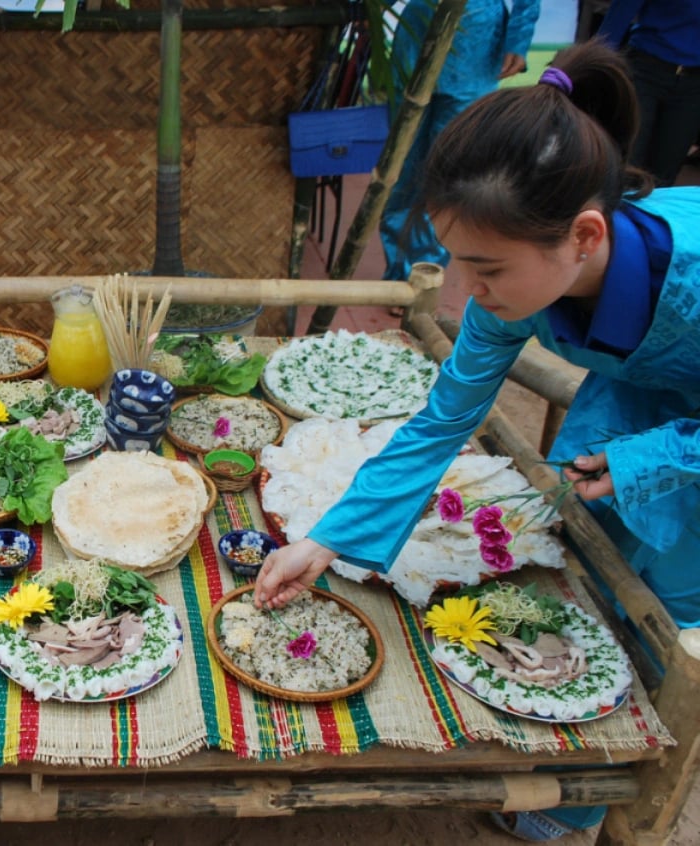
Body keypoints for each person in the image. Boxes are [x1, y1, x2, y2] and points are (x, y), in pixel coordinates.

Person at [256, 39, 700, 841]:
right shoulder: (524, 283)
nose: (466, 293)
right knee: (592, 566)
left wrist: (656, 458)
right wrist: (326, 541)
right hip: (636, 395)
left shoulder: (693, 273)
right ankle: (563, 758)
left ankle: (591, 803)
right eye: (456, 263)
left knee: (672, 611)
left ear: (587, 237)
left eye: (484, 269)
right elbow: (442, 420)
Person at [379, 0, 541, 285]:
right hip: (418, 35)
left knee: (450, 167)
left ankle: (423, 273)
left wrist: (518, 38)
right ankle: (398, 272)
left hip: (475, 43)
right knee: (402, 164)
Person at [598, 0, 700, 187]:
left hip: (693, 84)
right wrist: (594, 66)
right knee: (627, 160)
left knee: (665, 173)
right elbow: (619, 16)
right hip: (646, 70)